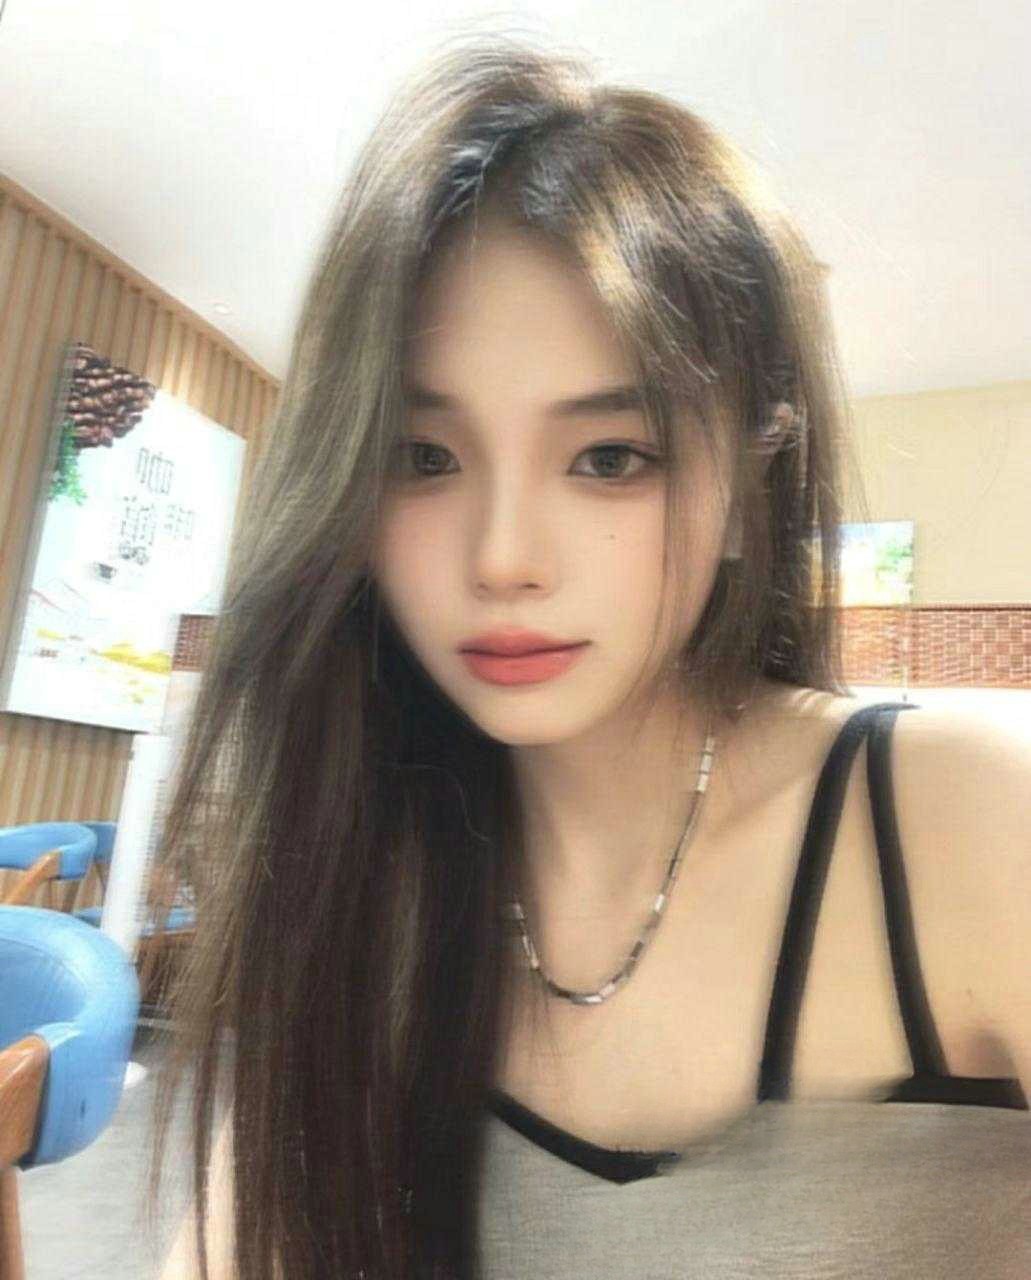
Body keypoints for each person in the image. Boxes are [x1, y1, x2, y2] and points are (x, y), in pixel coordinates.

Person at [154, 34, 1031, 1280]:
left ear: (747, 484)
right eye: (422, 457)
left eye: (609, 457)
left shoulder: (962, 819)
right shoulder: (363, 875)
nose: (503, 556)